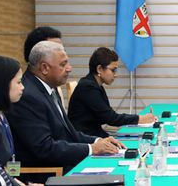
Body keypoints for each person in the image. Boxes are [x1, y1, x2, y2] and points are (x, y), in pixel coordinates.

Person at [7, 41, 124, 183]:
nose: (69, 69)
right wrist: (92, 148)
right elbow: (45, 148)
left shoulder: (49, 88)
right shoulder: (28, 96)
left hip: (64, 164)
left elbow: (70, 132)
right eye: (63, 65)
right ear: (44, 68)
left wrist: (98, 141)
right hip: (48, 174)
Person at [68, 47, 156, 137]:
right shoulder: (88, 87)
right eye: (113, 70)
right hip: (85, 139)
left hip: (93, 133)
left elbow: (108, 115)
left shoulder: (96, 85)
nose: (115, 74)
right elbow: (111, 118)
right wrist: (139, 118)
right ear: (99, 69)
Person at [0, 57, 43, 186]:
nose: (23, 87)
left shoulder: (1, 115)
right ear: (2, 85)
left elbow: (1, 170)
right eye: (19, 82)